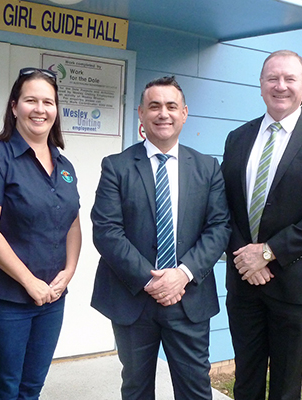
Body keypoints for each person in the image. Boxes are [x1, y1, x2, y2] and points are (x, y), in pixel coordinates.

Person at [91, 76, 230, 400]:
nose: (163, 113)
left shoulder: (208, 168)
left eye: (171, 106)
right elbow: (106, 230)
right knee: (136, 389)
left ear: (184, 113)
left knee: (195, 389)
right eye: (154, 106)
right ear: (140, 113)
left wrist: (182, 274)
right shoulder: (117, 166)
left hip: (189, 298)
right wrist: (150, 280)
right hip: (133, 298)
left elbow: (219, 227)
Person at [222, 50, 302, 400]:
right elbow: (223, 207)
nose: (281, 86)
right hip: (244, 280)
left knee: (285, 385)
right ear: (261, 85)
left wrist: (268, 252)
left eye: (289, 78)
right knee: (245, 377)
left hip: (293, 282)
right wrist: (245, 259)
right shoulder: (238, 138)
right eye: (272, 78)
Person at [0, 67, 82, 400]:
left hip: (52, 298)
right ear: (15, 106)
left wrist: (69, 271)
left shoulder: (64, 166)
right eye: (31, 100)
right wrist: (28, 281)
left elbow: (73, 223)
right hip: (6, 300)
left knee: (32, 388)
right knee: (6, 388)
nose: (40, 109)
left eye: (48, 102)